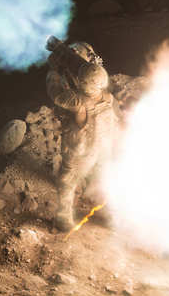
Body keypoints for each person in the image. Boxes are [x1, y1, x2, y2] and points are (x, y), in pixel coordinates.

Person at [46, 40, 119, 231]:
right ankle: (109, 216)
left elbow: (55, 95)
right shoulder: (108, 97)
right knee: (104, 177)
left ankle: (63, 219)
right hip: (104, 146)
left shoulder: (77, 101)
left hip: (82, 148)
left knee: (67, 179)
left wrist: (53, 74)